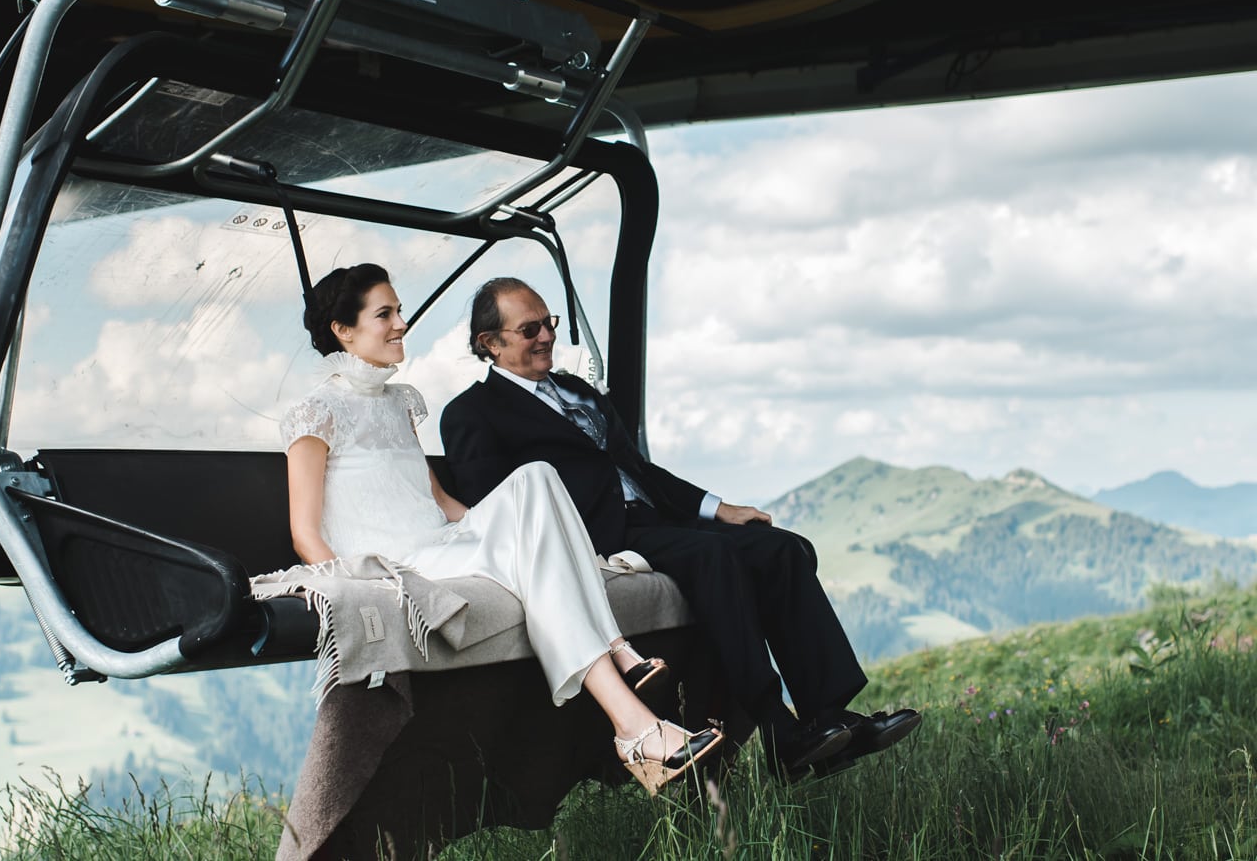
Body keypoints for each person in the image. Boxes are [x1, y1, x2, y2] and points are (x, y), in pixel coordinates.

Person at [439, 277, 920, 779]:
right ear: (489, 344)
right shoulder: (472, 413)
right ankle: (780, 731)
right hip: (599, 536)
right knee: (716, 557)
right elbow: (494, 505)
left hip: (655, 516)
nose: (546, 336)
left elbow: (639, 469)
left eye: (549, 323)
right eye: (529, 329)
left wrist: (717, 507)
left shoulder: (577, 391)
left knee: (784, 549)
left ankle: (829, 715)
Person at [277, 263, 723, 796]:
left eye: (398, 310)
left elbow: (440, 501)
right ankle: (632, 717)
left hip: (442, 543)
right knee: (535, 528)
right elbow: (305, 534)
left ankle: (625, 692)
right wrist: (352, 589)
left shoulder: (400, 402)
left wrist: (518, 527)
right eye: (385, 314)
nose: (401, 323)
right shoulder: (316, 412)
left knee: (536, 478)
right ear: (343, 331)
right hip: (399, 564)